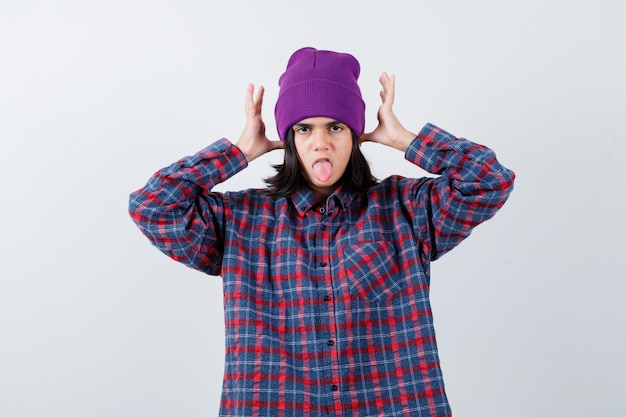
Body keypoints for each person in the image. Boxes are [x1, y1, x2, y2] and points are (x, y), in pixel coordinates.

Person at [129, 47, 515, 417]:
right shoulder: (238, 220)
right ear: (289, 138)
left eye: (335, 126)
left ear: (355, 135)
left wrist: (405, 139)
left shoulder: (406, 209)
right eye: (303, 128)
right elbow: (153, 206)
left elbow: (488, 181)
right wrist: (239, 152)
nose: (320, 143)